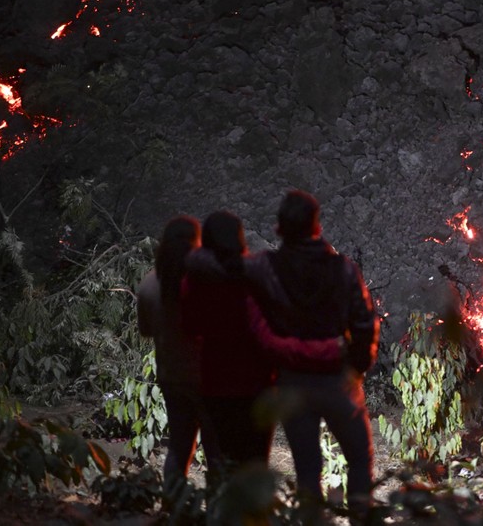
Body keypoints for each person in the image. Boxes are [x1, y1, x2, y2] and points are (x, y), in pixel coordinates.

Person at [246, 190, 380, 522]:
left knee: (307, 470)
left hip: (291, 381)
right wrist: (357, 368)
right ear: (316, 227)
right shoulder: (342, 269)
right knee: (360, 460)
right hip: (336, 378)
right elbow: (364, 323)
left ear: (280, 228)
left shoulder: (265, 268)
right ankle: (361, 518)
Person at [181, 210, 343, 478]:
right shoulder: (252, 279)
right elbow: (269, 335)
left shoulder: (194, 281)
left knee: (219, 465)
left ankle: (220, 515)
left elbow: (189, 327)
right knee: (253, 467)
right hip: (254, 387)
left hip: (212, 384)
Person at [136, 215, 219, 492]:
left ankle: (172, 509)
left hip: (172, 377)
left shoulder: (149, 284)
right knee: (217, 452)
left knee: (180, 447)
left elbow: (146, 330)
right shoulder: (208, 282)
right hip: (209, 380)